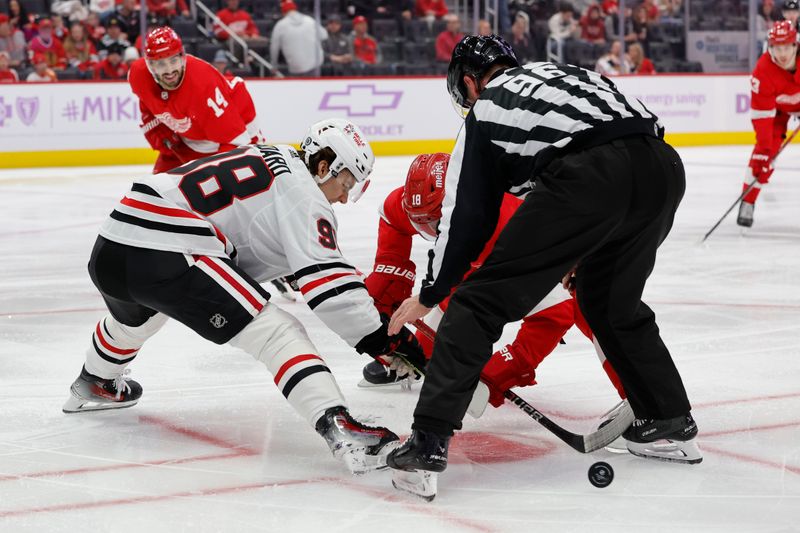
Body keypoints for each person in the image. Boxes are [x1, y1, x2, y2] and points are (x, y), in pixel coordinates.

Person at [386, 35, 701, 489]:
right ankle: (668, 418)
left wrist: (433, 291)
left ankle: (428, 442)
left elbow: (466, 218)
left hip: (591, 177)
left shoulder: (487, 108)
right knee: (610, 301)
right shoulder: (566, 72)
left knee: (476, 304)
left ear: (470, 84)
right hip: (662, 169)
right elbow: (632, 134)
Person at [61, 119, 429, 474]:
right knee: (277, 332)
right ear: (323, 165)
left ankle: (96, 379)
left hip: (113, 241)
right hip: (169, 247)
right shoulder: (306, 196)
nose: (347, 198)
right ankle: (341, 427)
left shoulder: (273, 154)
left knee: (139, 318)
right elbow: (331, 289)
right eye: (346, 182)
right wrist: (385, 339)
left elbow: (251, 223)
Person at [360, 153, 627, 414]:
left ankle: (642, 399)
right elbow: (394, 222)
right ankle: (424, 353)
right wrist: (390, 288)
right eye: (423, 222)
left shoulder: (505, 224)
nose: (431, 231)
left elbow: (556, 314)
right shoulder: (413, 206)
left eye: (437, 221)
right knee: (452, 288)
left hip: (567, 237)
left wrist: (500, 370)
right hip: (492, 241)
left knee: (590, 306)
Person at [129, 27, 264, 173]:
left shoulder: (203, 86)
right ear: (151, 66)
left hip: (238, 127)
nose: (169, 70)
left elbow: (236, 143)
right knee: (157, 190)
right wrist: (161, 135)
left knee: (239, 186)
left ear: (182, 57)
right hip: (189, 140)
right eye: (161, 63)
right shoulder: (139, 75)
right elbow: (147, 102)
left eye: (173, 60)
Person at [740, 20, 800, 227]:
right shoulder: (763, 71)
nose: (782, 53)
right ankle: (747, 201)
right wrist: (766, 151)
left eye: (786, 47)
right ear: (770, 47)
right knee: (763, 156)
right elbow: (762, 116)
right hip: (777, 113)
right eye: (777, 48)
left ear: (795, 45)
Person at [270, 1, 327, 76]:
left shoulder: (280, 25)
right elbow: (324, 35)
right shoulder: (309, 20)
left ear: (283, 12)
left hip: (296, 67)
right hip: (315, 64)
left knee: (298, 87)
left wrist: (274, 65)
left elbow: (274, 48)